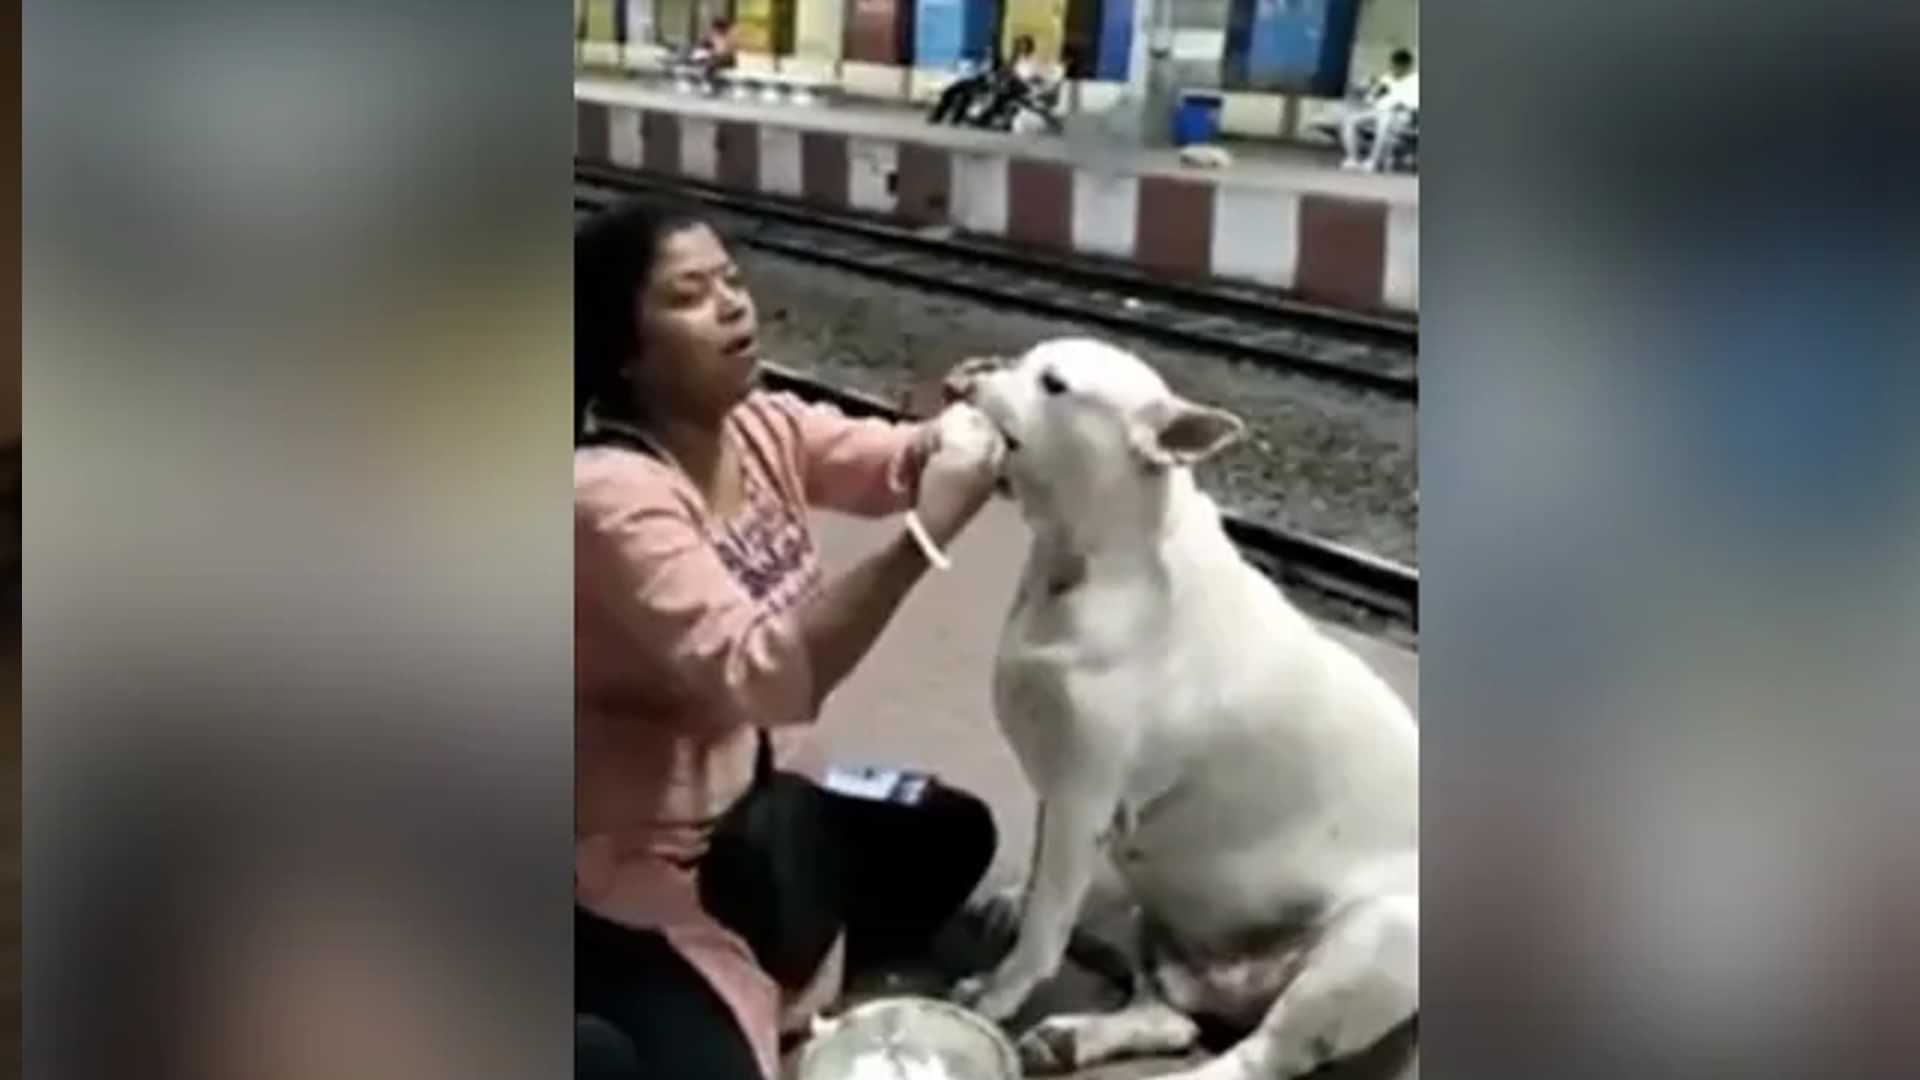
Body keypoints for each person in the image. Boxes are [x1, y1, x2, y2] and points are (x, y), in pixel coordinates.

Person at [573, 200, 1004, 1080]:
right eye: (690, 296)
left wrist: (977, 415)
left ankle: (752, 957)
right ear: (625, 351)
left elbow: (897, 459)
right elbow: (760, 677)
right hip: (649, 854)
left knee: (952, 833)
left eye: (732, 280)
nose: (733, 305)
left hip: (769, 810)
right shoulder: (608, 497)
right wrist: (922, 543)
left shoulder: (761, 428)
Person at [1340, 47, 1418, 172]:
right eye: (1393, 66)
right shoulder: (1387, 79)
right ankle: (1353, 158)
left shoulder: (1415, 81)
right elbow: (1370, 99)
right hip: (1379, 112)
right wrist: (1372, 88)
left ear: (1407, 66)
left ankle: (1373, 162)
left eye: (1398, 67)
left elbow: (1414, 104)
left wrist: (1398, 106)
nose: (1394, 70)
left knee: (1385, 121)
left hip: (1402, 115)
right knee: (1351, 120)